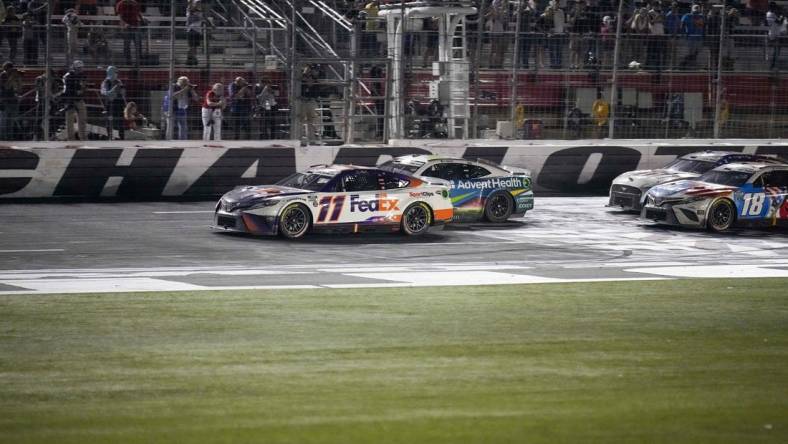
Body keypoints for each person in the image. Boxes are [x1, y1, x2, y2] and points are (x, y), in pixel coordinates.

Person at [167, 75, 200, 139]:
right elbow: (172, 97)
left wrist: (192, 90)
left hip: (182, 110)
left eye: (187, 82)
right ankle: (168, 140)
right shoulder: (174, 86)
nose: (186, 83)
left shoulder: (187, 89)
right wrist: (184, 90)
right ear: (180, 82)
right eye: (185, 82)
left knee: (183, 128)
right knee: (170, 127)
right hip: (172, 109)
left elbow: (196, 99)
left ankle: (183, 141)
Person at [62, 60, 88, 140]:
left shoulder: (83, 76)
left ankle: (83, 137)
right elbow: (67, 89)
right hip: (69, 99)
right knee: (69, 121)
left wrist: (82, 90)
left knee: (83, 119)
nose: (80, 70)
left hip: (79, 99)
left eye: (81, 68)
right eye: (78, 68)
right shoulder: (68, 76)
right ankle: (71, 138)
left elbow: (84, 86)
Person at [100, 66, 126, 140]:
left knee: (120, 122)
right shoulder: (105, 82)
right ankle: (110, 137)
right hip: (110, 104)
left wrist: (124, 101)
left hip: (119, 104)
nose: (116, 74)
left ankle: (121, 138)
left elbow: (123, 93)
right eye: (115, 72)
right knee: (110, 122)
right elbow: (103, 92)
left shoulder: (119, 81)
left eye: (117, 73)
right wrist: (110, 92)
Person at [115, 0, 143, 66]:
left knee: (138, 46)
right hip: (126, 29)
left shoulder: (135, 3)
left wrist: (142, 20)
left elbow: (138, 14)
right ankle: (128, 63)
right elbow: (120, 17)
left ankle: (138, 63)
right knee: (127, 46)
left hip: (135, 27)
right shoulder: (121, 4)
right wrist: (125, 24)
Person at [0, 61, 21, 140]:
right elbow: (6, 87)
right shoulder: (3, 75)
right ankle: (2, 138)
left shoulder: (15, 76)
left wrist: (18, 79)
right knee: (3, 122)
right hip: (4, 102)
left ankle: (9, 138)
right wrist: (11, 77)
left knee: (10, 122)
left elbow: (19, 89)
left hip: (13, 101)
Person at [680, 4, 705, 69]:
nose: (696, 13)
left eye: (697, 11)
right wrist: (683, 33)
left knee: (696, 53)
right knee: (690, 53)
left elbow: (703, 26)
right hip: (690, 37)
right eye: (695, 11)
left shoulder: (701, 16)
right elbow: (682, 25)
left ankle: (691, 65)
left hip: (699, 37)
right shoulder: (687, 15)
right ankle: (683, 64)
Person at [186, 0, 204, 65]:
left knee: (195, 46)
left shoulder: (200, 11)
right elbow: (190, 9)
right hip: (191, 29)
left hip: (197, 30)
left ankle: (194, 58)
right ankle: (189, 59)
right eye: (197, 3)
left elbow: (203, 18)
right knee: (191, 46)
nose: (199, 4)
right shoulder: (190, 9)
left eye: (199, 3)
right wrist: (190, 2)